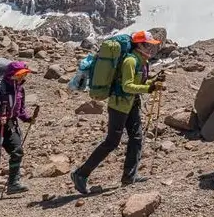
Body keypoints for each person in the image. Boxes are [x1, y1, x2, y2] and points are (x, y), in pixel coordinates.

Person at [70, 30, 165, 194]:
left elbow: (137, 82)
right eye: (148, 45)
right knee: (112, 142)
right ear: (139, 45)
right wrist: (149, 88)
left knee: (136, 138)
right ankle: (80, 174)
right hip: (119, 105)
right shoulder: (130, 61)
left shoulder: (141, 61)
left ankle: (129, 176)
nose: (151, 49)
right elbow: (126, 86)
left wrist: (153, 81)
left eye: (151, 46)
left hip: (131, 104)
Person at [0, 60, 38, 200]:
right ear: (12, 74)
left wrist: (27, 118)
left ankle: (13, 184)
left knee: (17, 150)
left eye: (24, 74)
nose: (23, 77)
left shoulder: (19, 88)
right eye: (20, 74)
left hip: (10, 125)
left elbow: (20, 109)